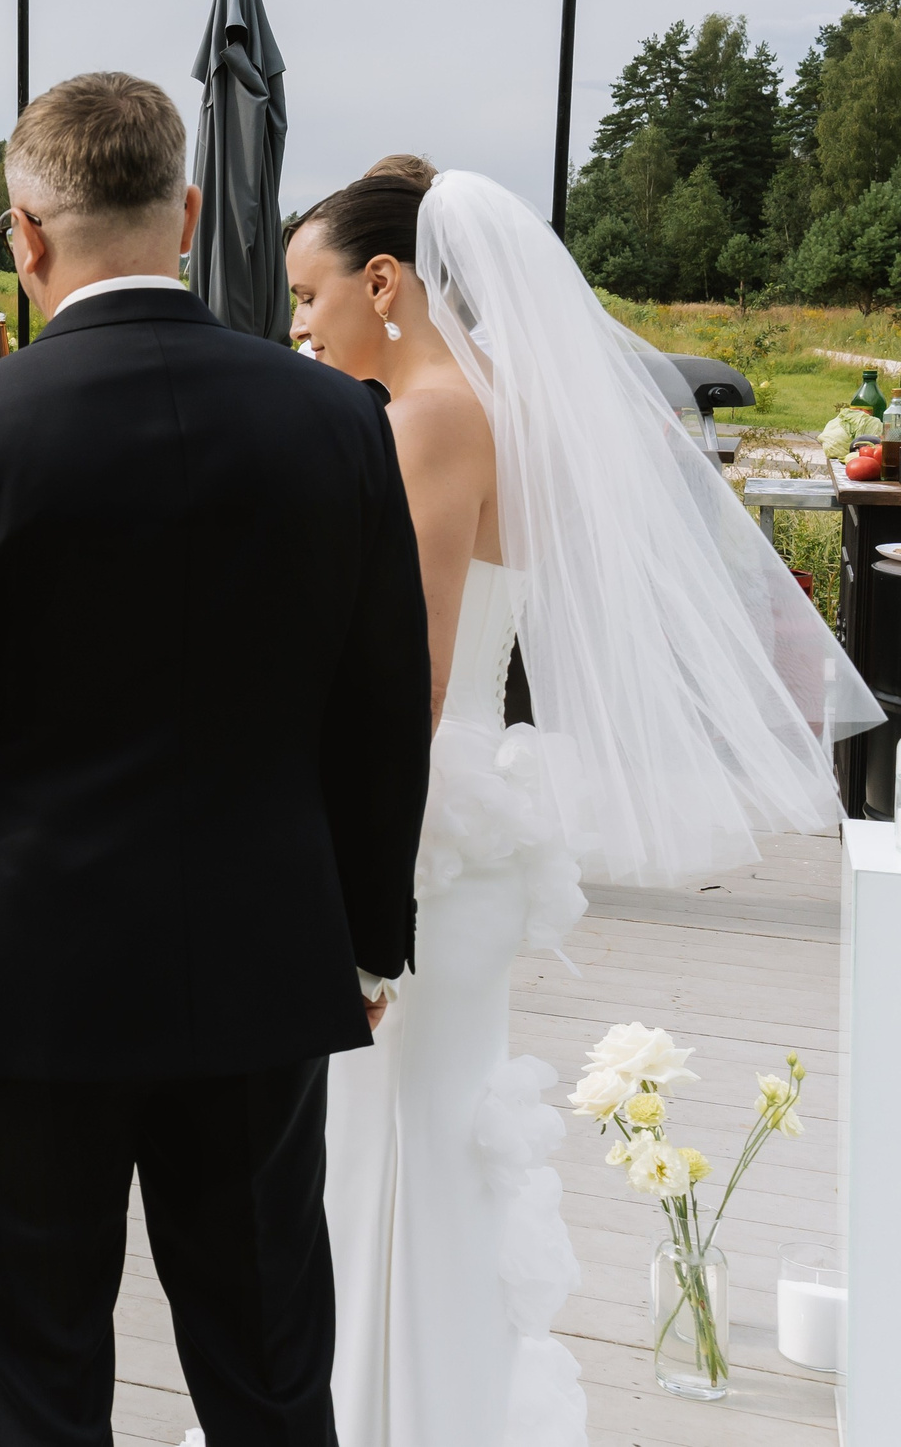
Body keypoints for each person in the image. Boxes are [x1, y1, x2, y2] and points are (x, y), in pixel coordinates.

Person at [0, 72, 433, 1443]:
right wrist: (373, 936)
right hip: (261, 965)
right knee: (272, 1366)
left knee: (36, 1378)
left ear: (24, 239)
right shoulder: (338, 420)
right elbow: (384, 708)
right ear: (192, 213)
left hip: (27, 978)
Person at [288, 162, 875, 1447]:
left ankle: (385, 1413)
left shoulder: (431, 414)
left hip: (427, 815)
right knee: (415, 1144)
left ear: (383, 284)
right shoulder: (504, 405)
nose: (300, 329)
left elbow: (416, 666)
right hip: (471, 802)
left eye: (308, 296)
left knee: (399, 1152)